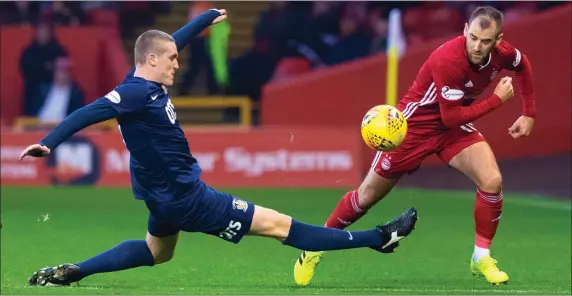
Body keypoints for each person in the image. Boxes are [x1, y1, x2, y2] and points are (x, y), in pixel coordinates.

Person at [21, 9, 419, 287]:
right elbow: (87, 113)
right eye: (172, 60)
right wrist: (47, 142)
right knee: (281, 225)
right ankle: (379, 238)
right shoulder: (133, 92)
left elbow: (170, 42)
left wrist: (204, 20)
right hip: (188, 199)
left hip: (160, 198)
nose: (177, 64)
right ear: (153, 60)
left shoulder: (142, 79)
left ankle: (77, 271)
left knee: (157, 252)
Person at [294, 6, 535, 287]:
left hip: (451, 130)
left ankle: (481, 257)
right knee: (365, 198)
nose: (477, 46)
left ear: (498, 40)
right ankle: (315, 246)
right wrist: (496, 100)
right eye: (473, 38)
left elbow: (523, 64)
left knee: (492, 181)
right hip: (410, 130)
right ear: (465, 31)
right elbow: (450, 115)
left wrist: (529, 112)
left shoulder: (503, 53)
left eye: (485, 41)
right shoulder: (448, 59)